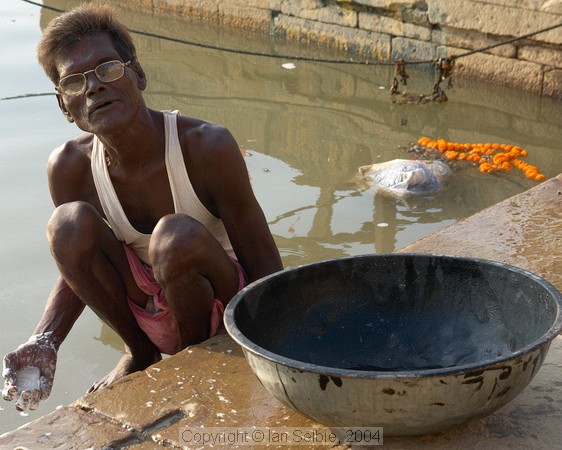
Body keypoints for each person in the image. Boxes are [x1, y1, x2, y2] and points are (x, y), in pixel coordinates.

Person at [2, 3, 282, 412]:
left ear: (139, 75)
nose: (94, 87)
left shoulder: (207, 147)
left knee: (175, 238)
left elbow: (265, 269)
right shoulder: (69, 168)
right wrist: (45, 338)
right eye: (75, 82)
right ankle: (140, 354)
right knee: (66, 225)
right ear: (65, 106)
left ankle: (190, 362)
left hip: (218, 306)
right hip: (148, 313)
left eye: (108, 69)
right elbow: (76, 264)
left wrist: (282, 341)